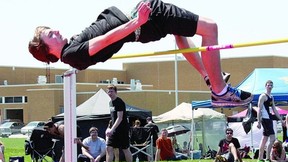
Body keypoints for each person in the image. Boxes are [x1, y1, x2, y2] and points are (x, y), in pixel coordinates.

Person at [28, 0, 252, 108]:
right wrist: (138, 20)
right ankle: (220, 91)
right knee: (210, 28)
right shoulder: (71, 54)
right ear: (47, 49)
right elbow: (106, 40)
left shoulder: (71, 46)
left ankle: (208, 76)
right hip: (146, 20)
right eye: (50, 34)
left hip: (142, 20)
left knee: (180, 35)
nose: (55, 30)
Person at [97, 84, 134, 162]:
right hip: (114, 130)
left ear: (116, 92)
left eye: (112, 91)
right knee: (108, 147)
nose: (110, 93)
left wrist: (112, 129)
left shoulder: (119, 102)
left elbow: (120, 118)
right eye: (108, 91)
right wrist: (108, 128)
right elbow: (112, 118)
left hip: (122, 129)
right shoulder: (110, 103)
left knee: (125, 149)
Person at [257, 80, 285, 162]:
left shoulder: (271, 97)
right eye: (268, 85)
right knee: (272, 138)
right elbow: (259, 109)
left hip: (268, 119)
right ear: (265, 86)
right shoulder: (263, 96)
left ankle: (260, 159)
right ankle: (267, 158)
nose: (269, 86)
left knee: (264, 139)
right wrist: (258, 121)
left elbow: (274, 109)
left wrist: (280, 119)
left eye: (271, 85)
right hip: (265, 119)